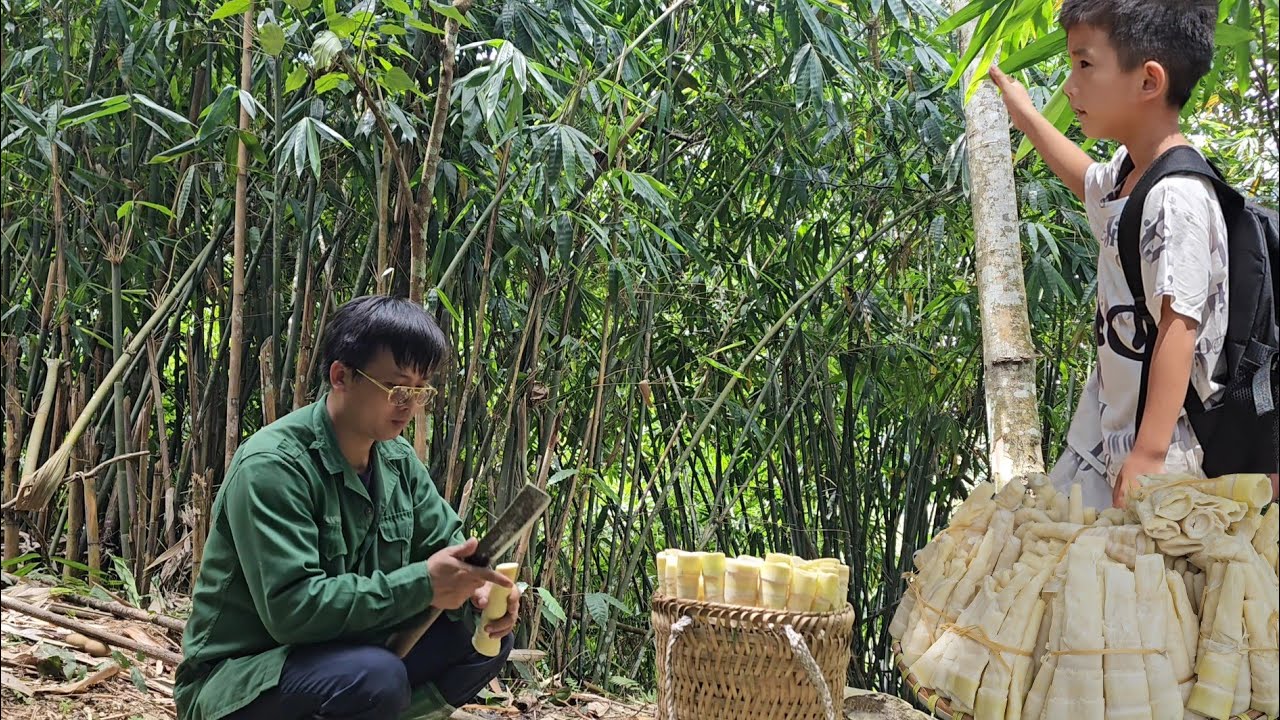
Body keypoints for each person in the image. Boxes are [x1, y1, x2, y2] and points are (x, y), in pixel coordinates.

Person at [174, 295, 520, 720]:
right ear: (341, 376)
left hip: (351, 657)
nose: (409, 404)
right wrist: (424, 585)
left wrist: (481, 592)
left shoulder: (397, 460)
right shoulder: (273, 466)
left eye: (419, 389)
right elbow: (293, 612)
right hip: (244, 680)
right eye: (396, 387)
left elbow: (448, 544)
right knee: (376, 679)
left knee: (480, 639)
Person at [989, 0, 1231, 509]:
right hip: (1109, 440)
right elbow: (1086, 181)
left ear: (1148, 82)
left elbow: (1179, 323)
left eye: (1084, 64)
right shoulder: (1130, 173)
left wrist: (1148, 453)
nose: (1069, 86)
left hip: (1172, 456)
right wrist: (1024, 113)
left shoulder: (1177, 196)